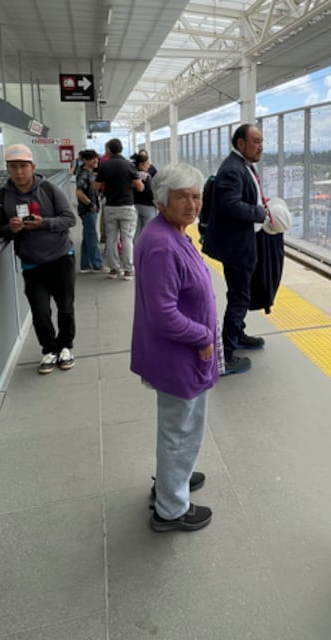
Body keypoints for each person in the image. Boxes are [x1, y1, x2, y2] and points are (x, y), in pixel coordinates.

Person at [130, 162, 220, 532]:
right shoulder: (162, 246)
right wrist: (202, 337)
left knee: (181, 425)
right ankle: (171, 508)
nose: (192, 204)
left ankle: (173, 478)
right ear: (162, 201)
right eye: (182, 197)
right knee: (180, 429)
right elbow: (163, 314)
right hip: (179, 354)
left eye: (196, 196)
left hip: (181, 354)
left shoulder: (173, 233)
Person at [0, 143, 79, 374]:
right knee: (40, 311)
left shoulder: (49, 189)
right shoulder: (3, 196)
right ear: (8, 169)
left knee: (65, 307)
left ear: (32, 167)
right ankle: (49, 350)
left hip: (60, 257)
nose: (19, 172)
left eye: (23, 166)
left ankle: (66, 347)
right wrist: (10, 228)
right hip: (32, 263)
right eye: (13, 167)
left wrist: (44, 223)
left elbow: (70, 219)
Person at [202, 123, 269, 375]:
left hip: (240, 242)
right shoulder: (232, 169)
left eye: (261, 141)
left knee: (240, 294)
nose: (260, 146)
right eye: (255, 141)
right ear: (240, 143)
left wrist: (258, 204)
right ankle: (226, 355)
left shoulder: (241, 165)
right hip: (236, 246)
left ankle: (237, 335)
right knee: (240, 297)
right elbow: (230, 205)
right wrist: (259, 212)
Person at [96, 138, 143, 280]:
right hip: (127, 206)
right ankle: (128, 270)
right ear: (121, 149)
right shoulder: (129, 166)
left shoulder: (104, 166)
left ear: (109, 150)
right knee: (127, 238)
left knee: (111, 237)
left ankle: (113, 269)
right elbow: (140, 187)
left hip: (110, 206)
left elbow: (96, 186)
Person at [74, 149, 104, 273]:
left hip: (90, 209)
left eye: (96, 158)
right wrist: (90, 204)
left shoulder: (89, 173)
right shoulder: (84, 174)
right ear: (85, 160)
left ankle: (85, 265)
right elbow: (79, 193)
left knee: (87, 237)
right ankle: (98, 265)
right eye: (93, 159)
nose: (96, 161)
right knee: (92, 237)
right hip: (88, 210)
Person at [131, 150, 158, 238]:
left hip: (136, 205)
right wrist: (156, 202)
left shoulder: (133, 174)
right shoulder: (146, 176)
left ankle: (136, 251)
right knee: (148, 232)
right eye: (147, 163)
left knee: (137, 232)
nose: (149, 166)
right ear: (141, 164)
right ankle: (146, 250)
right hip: (148, 206)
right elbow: (149, 192)